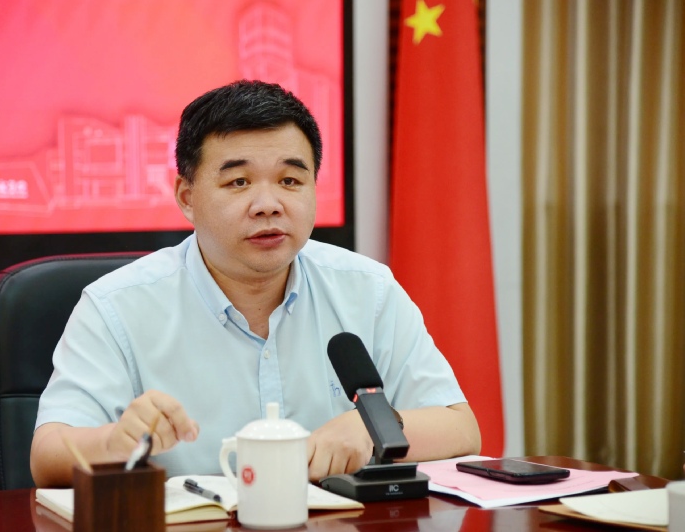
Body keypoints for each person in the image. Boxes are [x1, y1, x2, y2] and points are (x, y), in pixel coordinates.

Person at [30, 80, 481, 487]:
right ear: (187, 198)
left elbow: (461, 428)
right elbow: (47, 456)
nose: (268, 204)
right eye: (239, 182)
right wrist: (114, 442)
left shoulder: (368, 290)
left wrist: (371, 427)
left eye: (290, 180)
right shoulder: (116, 306)